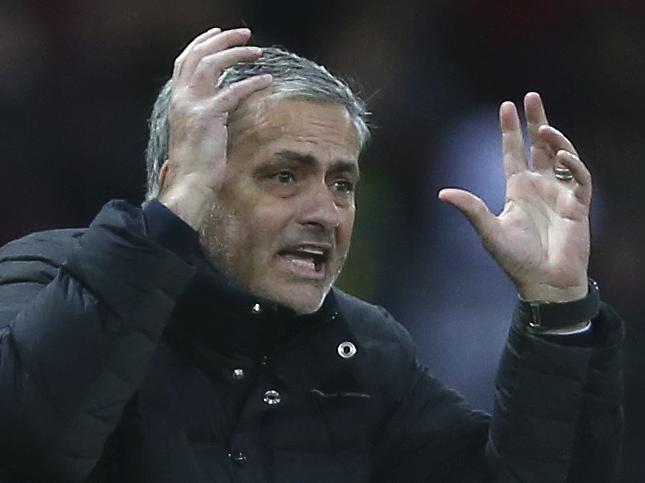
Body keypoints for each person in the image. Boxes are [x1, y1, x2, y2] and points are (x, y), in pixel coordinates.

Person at [0, 27, 623, 482]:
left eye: (342, 183)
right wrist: (167, 222)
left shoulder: (363, 355)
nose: (326, 213)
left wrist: (558, 309)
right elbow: (28, 449)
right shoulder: (47, 277)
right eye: (284, 176)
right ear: (183, 181)